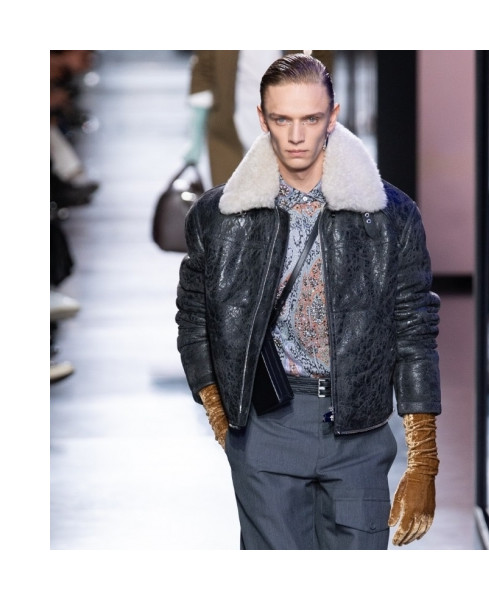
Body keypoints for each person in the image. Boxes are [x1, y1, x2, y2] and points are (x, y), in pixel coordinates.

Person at [176, 53, 441, 550]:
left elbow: (415, 331)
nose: (296, 136)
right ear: (262, 119)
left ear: (333, 117)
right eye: (282, 119)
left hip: (359, 429)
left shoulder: (390, 216)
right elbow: (194, 318)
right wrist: (220, 414)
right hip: (267, 425)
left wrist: (423, 459)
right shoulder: (221, 217)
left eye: (311, 118)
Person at [183, 50, 334, 187]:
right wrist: (196, 134)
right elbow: (204, 69)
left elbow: (323, 63)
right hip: (228, 133)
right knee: (229, 200)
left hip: (292, 133)